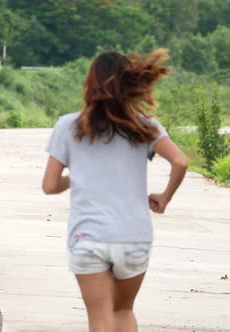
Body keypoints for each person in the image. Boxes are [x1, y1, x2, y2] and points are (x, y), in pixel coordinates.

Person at [42, 49, 188, 332]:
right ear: (129, 84)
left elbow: (49, 186)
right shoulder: (145, 126)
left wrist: (78, 177)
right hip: (134, 236)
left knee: (100, 319)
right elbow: (180, 161)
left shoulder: (68, 126)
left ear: (90, 83)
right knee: (122, 310)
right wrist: (165, 196)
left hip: (89, 237)